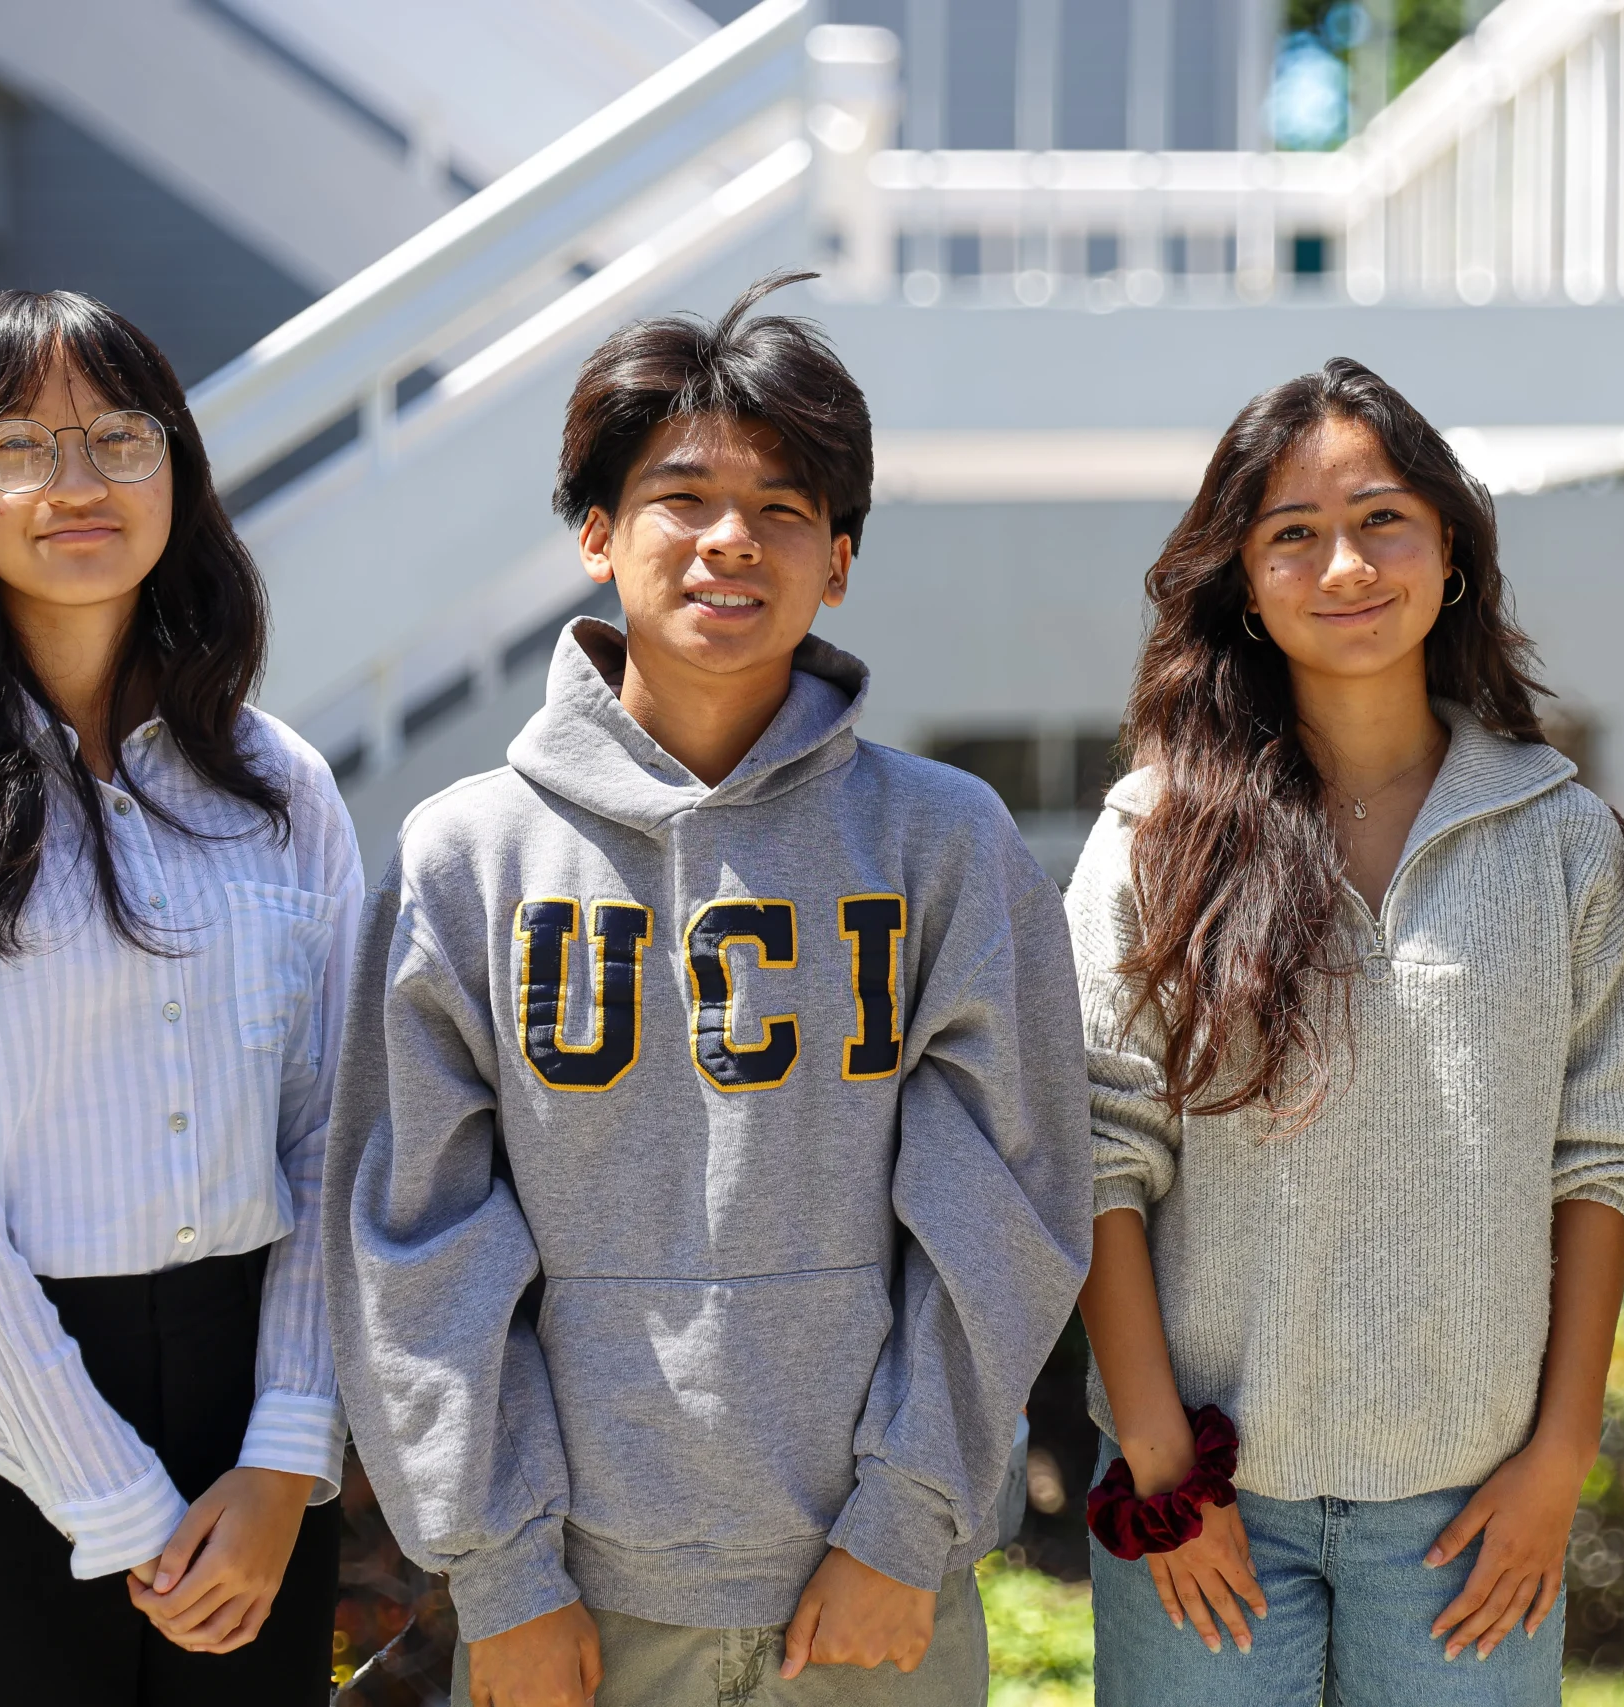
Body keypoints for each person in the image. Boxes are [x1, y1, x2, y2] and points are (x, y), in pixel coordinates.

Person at [320, 271, 1093, 1707]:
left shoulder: (944, 845)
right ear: (597, 536)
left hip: (874, 1595)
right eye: (681, 498)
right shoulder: (465, 859)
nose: (732, 538)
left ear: (838, 562)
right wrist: (504, 1571)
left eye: (784, 508)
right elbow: (411, 1237)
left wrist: (904, 1521)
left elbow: (1008, 1205)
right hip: (574, 1608)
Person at [0, 290, 358, 1705]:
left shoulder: (282, 790)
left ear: (178, 470)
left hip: (252, 1462)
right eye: (19, 447)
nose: (77, 481)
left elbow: (343, 1139)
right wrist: (125, 1507)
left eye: (118, 436)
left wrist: (287, 1457)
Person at [1066, 357, 1624, 1707]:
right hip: (1207, 1500)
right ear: (1243, 580)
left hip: (1471, 1513)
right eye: (1292, 532)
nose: (1344, 565)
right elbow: (1096, 1156)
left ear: (1450, 549)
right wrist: (1164, 1472)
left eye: (1383, 519)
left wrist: (1558, 1459)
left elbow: (1602, 1156)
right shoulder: (1153, 838)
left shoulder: (1559, 835)